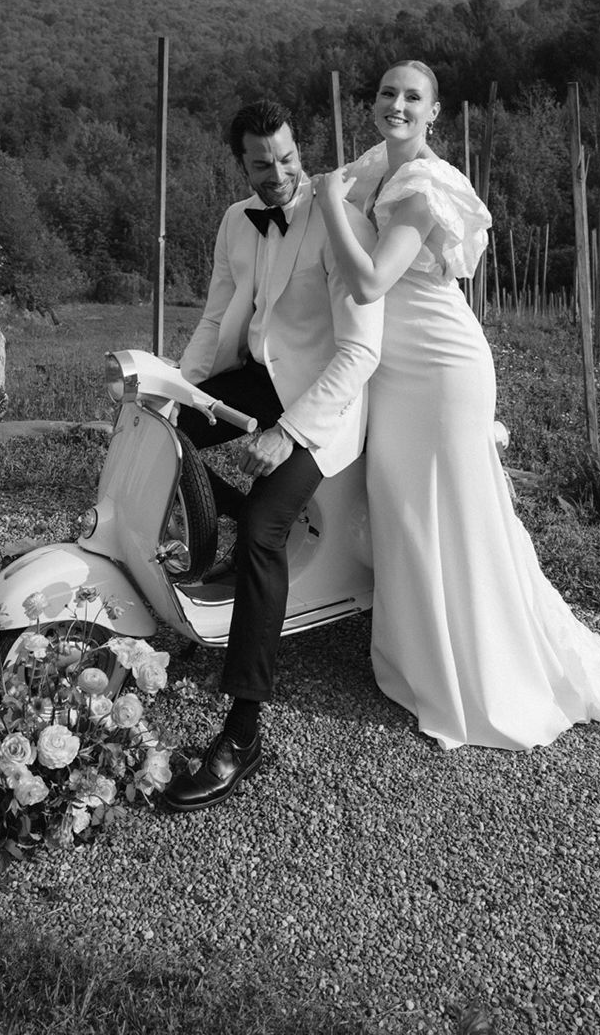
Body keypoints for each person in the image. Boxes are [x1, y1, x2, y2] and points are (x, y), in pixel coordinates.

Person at [311, 60, 600, 751]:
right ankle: (422, 650)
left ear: (436, 112)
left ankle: (479, 669)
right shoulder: (375, 165)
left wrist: (327, 204)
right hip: (392, 370)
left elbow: (370, 281)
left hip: (440, 368)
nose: (395, 103)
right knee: (402, 503)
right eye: (386, 93)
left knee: (449, 509)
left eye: (412, 97)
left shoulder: (423, 187)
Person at [163, 99, 384, 810]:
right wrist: (178, 393)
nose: (279, 174)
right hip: (263, 376)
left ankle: (243, 729)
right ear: (243, 165)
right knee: (164, 442)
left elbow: (359, 351)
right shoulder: (236, 220)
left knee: (261, 528)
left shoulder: (339, 215)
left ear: (300, 151)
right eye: (263, 165)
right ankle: (177, 591)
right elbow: (212, 316)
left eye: (288, 159)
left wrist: (289, 432)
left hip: (326, 398)